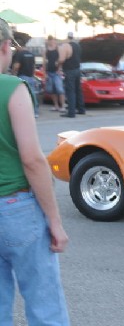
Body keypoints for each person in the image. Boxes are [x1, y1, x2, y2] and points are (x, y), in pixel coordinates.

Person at [0, 18, 70, 325]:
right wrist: (54, 220)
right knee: (44, 305)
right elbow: (32, 159)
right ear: (5, 46)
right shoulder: (13, 88)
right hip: (16, 208)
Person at [58, 32, 85, 118]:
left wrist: (57, 63)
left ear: (66, 37)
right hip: (77, 69)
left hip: (69, 71)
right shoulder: (77, 46)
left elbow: (62, 59)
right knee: (78, 90)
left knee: (70, 91)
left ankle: (71, 112)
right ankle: (81, 109)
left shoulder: (66, 46)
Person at [11, 45, 39, 118]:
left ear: (18, 46)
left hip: (22, 76)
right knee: (33, 94)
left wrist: (13, 73)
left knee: (22, 95)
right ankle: (35, 112)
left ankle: (24, 113)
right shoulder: (31, 54)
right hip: (31, 76)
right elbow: (34, 66)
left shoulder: (19, 54)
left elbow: (16, 66)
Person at [43, 35, 65, 112]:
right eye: (49, 40)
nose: (51, 41)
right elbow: (44, 62)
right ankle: (56, 105)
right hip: (49, 72)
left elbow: (62, 59)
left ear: (54, 41)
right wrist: (44, 73)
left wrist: (59, 68)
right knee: (52, 90)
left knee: (60, 89)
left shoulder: (58, 48)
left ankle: (62, 105)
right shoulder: (46, 50)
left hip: (56, 72)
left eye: (52, 40)